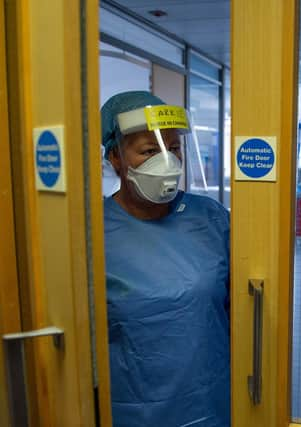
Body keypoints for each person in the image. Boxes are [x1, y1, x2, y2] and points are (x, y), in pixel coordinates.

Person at [100, 91, 230, 427]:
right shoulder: (94, 231)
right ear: (115, 157)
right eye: (149, 151)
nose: (167, 161)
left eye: (173, 148)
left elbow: (241, 307)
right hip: (133, 410)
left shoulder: (210, 219)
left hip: (208, 404)